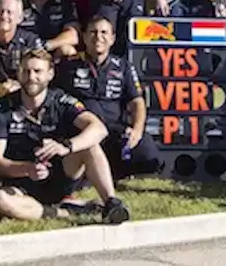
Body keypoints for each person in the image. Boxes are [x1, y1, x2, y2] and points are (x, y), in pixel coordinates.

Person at [0, 48, 130, 224]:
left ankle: (111, 204)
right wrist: (27, 169)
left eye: (38, 71)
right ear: (18, 73)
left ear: (50, 74)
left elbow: (99, 128)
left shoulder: (61, 100)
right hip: (21, 183)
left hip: (60, 174)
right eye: (26, 71)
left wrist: (67, 146)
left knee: (89, 145)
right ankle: (60, 212)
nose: (31, 77)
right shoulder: (1, 108)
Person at [54, 15, 162, 179]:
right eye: (93, 32)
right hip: (83, 131)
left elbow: (137, 102)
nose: (98, 37)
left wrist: (137, 130)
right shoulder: (69, 65)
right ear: (84, 37)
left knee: (149, 155)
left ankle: (114, 171)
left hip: (115, 130)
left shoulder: (124, 66)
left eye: (104, 32)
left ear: (112, 39)